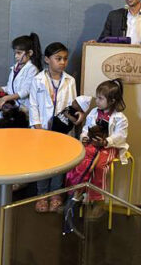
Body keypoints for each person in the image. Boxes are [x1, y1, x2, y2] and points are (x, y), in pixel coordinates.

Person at [29, 42, 90, 213]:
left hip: (63, 129)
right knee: (43, 162)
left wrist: (79, 116)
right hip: (42, 130)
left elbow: (73, 104)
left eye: (65, 59)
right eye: (58, 58)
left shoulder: (70, 80)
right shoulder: (38, 80)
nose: (62, 62)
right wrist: (37, 126)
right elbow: (33, 105)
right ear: (47, 59)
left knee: (60, 162)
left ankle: (56, 194)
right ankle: (41, 194)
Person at [65, 79, 129, 203]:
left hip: (109, 148)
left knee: (99, 166)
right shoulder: (94, 113)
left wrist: (106, 141)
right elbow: (86, 128)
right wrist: (84, 136)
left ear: (112, 101)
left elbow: (121, 136)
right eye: (97, 97)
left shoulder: (120, 118)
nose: (97, 101)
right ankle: (78, 191)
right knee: (81, 161)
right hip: (92, 145)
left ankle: (97, 199)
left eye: (100, 98)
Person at [0, 33, 43, 114]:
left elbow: (25, 91)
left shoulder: (32, 70)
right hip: (11, 109)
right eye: (15, 53)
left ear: (30, 53)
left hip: (24, 111)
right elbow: (11, 87)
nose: (16, 56)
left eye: (19, 53)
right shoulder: (15, 67)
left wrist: (5, 98)